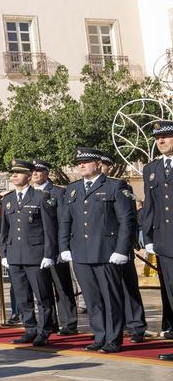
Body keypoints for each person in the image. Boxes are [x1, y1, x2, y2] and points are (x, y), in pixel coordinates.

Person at [59, 147, 135, 353]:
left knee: (111, 297)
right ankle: (99, 335)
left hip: (106, 252)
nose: (81, 165)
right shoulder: (72, 189)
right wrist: (64, 246)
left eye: (86, 161)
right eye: (79, 163)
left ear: (98, 164)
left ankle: (113, 339)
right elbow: (66, 220)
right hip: (81, 252)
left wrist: (121, 249)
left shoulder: (114, 186)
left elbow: (127, 220)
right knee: (92, 298)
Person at [0, 160, 58, 346]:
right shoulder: (7, 200)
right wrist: (4, 253)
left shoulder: (41, 197)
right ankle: (29, 328)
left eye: (19, 172)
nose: (14, 175)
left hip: (36, 255)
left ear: (29, 175)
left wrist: (49, 254)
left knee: (43, 296)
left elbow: (50, 229)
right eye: (12, 173)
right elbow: (5, 229)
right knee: (22, 296)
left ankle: (45, 330)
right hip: (15, 255)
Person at [99, 153, 147, 343]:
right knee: (108, 290)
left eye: (103, 164)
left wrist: (126, 244)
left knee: (128, 287)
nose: (100, 167)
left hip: (120, 245)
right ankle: (114, 325)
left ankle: (136, 326)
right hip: (101, 247)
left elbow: (128, 219)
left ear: (109, 167)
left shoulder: (119, 186)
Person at [31, 159, 79, 335]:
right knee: (42, 288)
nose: (35, 173)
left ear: (47, 173)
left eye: (39, 170)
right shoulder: (29, 193)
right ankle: (49, 322)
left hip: (56, 247)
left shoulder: (58, 192)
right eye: (33, 171)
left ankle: (69, 323)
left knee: (62, 286)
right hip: (36, 249)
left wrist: (62, 247)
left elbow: (63, 221)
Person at [139, 122, 173, 360]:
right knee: (170, 293)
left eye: (166, 136)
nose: (160, 141)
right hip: (164, 240)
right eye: (157, 138)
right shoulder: (151, 168)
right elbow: (150, 206)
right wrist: (148, 236)